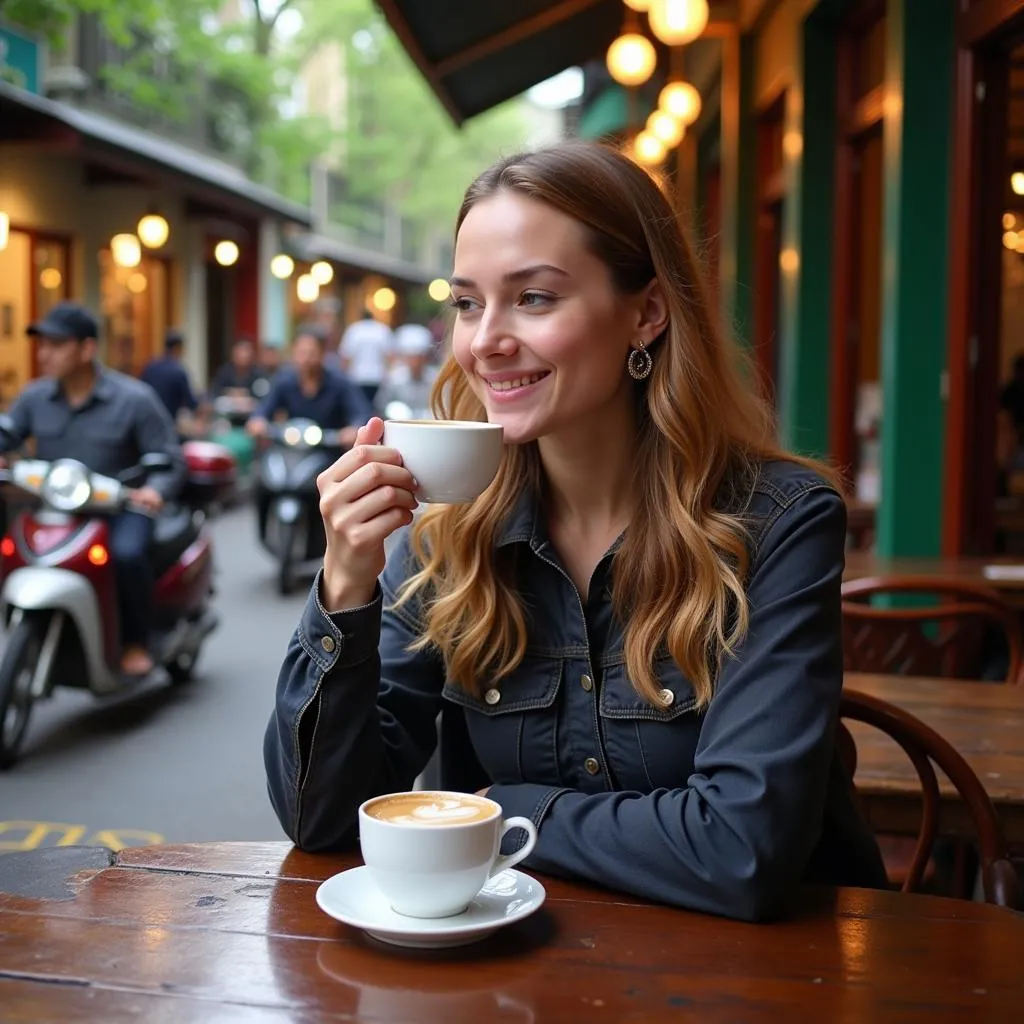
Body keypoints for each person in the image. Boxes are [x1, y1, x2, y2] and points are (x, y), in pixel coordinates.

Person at [264, 143, 887, 921]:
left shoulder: (775, 523)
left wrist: (507, 811)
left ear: (646, 313)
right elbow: (322, 820)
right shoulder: (452, 536)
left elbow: (741, 847)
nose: (485, 339)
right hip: (520, 981)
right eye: (466, 303)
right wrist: (345, 584)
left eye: (533, 299)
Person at [0, 302, 186, 678]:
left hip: (120, 510)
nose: (44, 354)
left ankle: (135, 641)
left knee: (128, 555)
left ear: (87, 349)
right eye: (43, 344)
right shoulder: (35, 397)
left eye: (55, 344)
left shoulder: (134, 399)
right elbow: (7, 435)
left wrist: (154, 490)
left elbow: (170, 458)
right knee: (12, 548)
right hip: (54, 510)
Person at [247, 327, 372, 444]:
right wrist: (258, 421)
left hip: (329, 452)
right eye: (302, 353)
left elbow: (361, 413)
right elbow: (264, 409)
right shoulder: (283, 381)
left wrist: (353, 430)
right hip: (291, 448)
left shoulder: (340, 383)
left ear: (323, 354)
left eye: (312, 353)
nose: (306, 359)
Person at [375, 322, 438, 419]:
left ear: (425, 358)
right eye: (411, 358)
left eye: (419, 358)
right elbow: (382, 405)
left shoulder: (435, 379)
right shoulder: (394, 379)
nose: (415, 363)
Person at [141, 329, 199, 427]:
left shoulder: (150, 366)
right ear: (177, 348)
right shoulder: (178, 371)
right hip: (168, 423)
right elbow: (191, 403)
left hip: (147, 421)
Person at [339, 310, 393, 406]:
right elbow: (389, 356)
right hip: (377, 376)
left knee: (360, 406)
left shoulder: (354, 330)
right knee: (375, 407)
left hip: (357, 376)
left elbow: (345, 356)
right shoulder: (382, 330)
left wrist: (345, 375)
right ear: (373, 317)